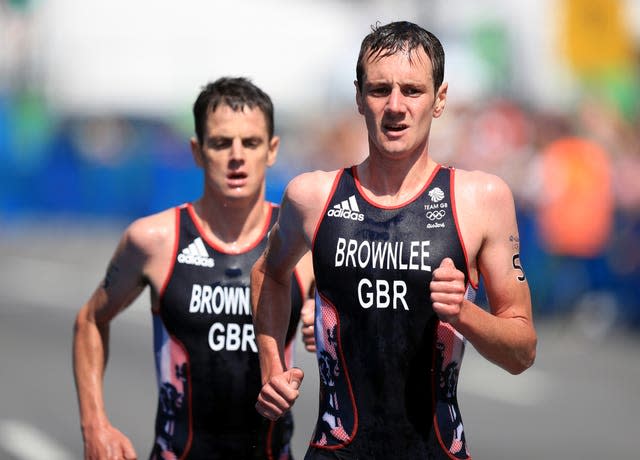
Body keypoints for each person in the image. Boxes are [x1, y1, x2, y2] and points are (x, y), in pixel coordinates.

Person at [251, 21, 537, 459]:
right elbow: (269, 273)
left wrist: (463, 313)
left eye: (413, 90)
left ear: (440, 100)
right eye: (381, 89)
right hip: (337, 449)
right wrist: (272, 365)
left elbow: (522, 352)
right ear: (359, 97)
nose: (396, 106)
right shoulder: (311, 196)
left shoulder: (481, 199)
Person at [73, 77, 315, 460]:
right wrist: (94, 424)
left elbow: (369, 329)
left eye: (250, 143)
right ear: (197, 151)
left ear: (271, 150)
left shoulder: (302, 244)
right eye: (221, 143)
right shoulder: (153, 240)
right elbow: (89, 320)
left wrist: (327, 322)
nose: (237, 156)